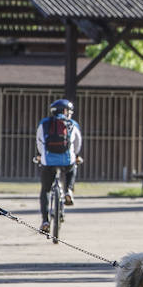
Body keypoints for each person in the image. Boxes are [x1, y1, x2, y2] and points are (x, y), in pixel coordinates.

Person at [37, 99, 83, 232]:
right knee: (72, 166)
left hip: (48, 161)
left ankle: (45, 221)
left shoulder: (44, 123)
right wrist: (76, 155)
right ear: (65, 111)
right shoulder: (72, 124)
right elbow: (77, 143)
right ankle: (69, 190)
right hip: (66, 160)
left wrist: (41, 156)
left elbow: (40, 142)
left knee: (45, 190)